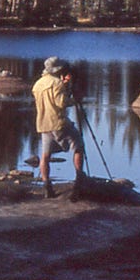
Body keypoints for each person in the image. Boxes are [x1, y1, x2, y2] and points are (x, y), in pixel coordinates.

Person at [32, 56, 85, 198]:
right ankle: (79, 179)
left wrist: (65, 86)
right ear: (57, 69)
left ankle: (47, 186)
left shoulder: (37, 84)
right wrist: (75, 99)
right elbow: (61, 103)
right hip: (59, 123)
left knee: (45, 155)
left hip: (43, 124)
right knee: (79, 146)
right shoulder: (57, 83)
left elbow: (50, 101)